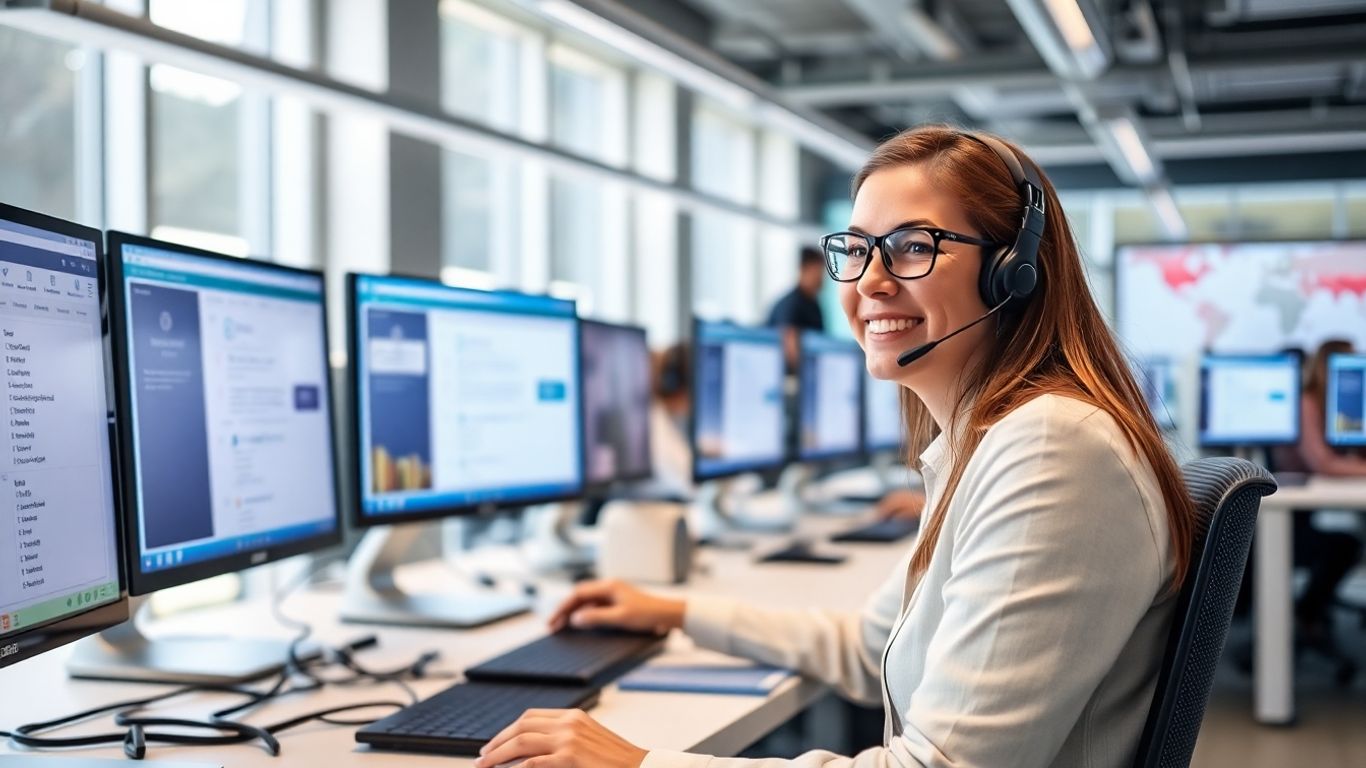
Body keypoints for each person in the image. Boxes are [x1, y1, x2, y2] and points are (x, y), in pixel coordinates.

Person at [471, 126, 1197, 768]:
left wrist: (637, 766)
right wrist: (675, 613)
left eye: (914, 247)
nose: (870, 280)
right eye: (856, 249)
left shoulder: (1051, 448)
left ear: (1015, 270)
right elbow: (866, 647)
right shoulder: (988, 442)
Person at [1271, 339, 1366, 646]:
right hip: (1285, 524)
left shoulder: (1334, 406)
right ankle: (1306, 614)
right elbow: (1324, 463)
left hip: (1303, 516)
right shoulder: (1306, 403)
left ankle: (1310, 612)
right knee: (1343, 546)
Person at [767, 246, 828, 370]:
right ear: (803, 270)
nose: (822, 279)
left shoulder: (814, 305)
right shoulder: (791, 304)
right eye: (818, 272)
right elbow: (791, 352)